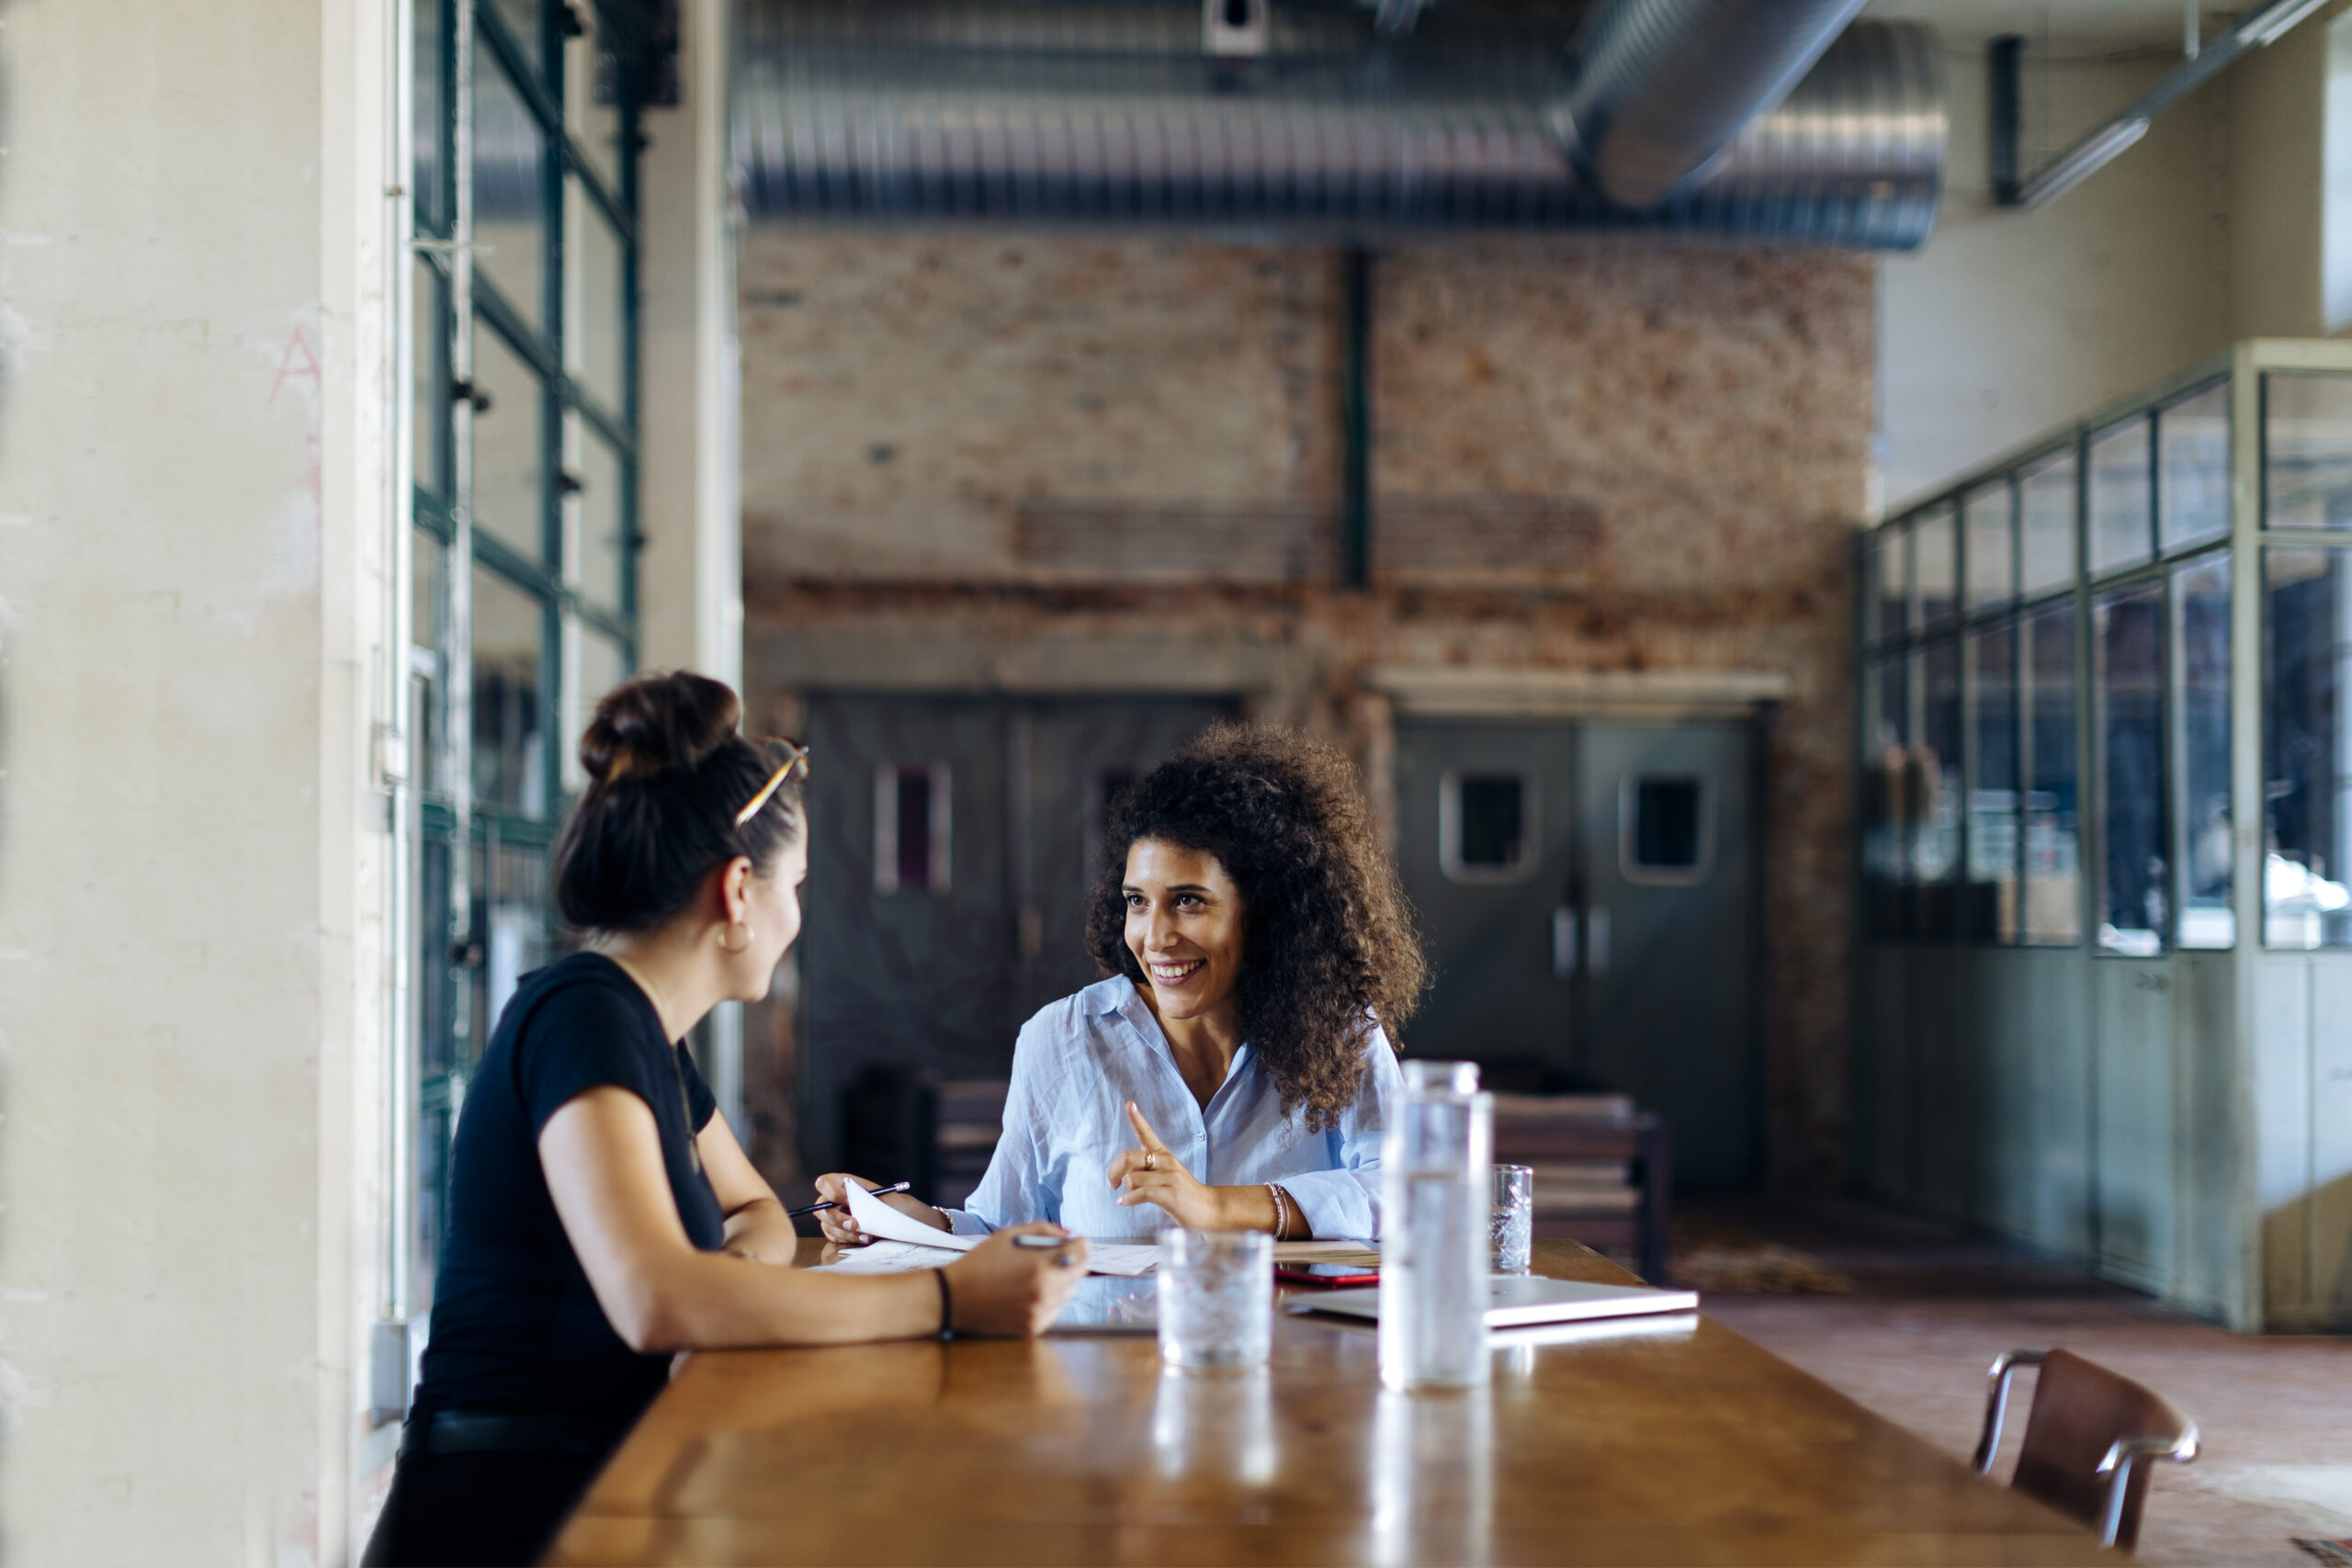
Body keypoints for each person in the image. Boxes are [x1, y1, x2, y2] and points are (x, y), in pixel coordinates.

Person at [365, 673, 1085, 1568]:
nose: (796, 919)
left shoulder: (647, 1034)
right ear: (740, 890)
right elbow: (656, 1299)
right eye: (798, 888)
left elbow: (752, 1213)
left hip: (602, 1480)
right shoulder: (584, 1015)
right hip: (506, 1511)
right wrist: (947, 1297)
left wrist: (724, 1291)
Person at [816, 722, 1428, 1247]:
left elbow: (1406, 1192)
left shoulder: (1340, 1031)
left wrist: (1218, 1207)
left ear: (1264, 911)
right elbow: (999, 1225)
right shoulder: (1060, 1039)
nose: (1155, 937)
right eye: (1138, 901)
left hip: (1294, 1370)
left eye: (1188, 901)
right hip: (1108, 1376)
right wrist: (902, 1221)